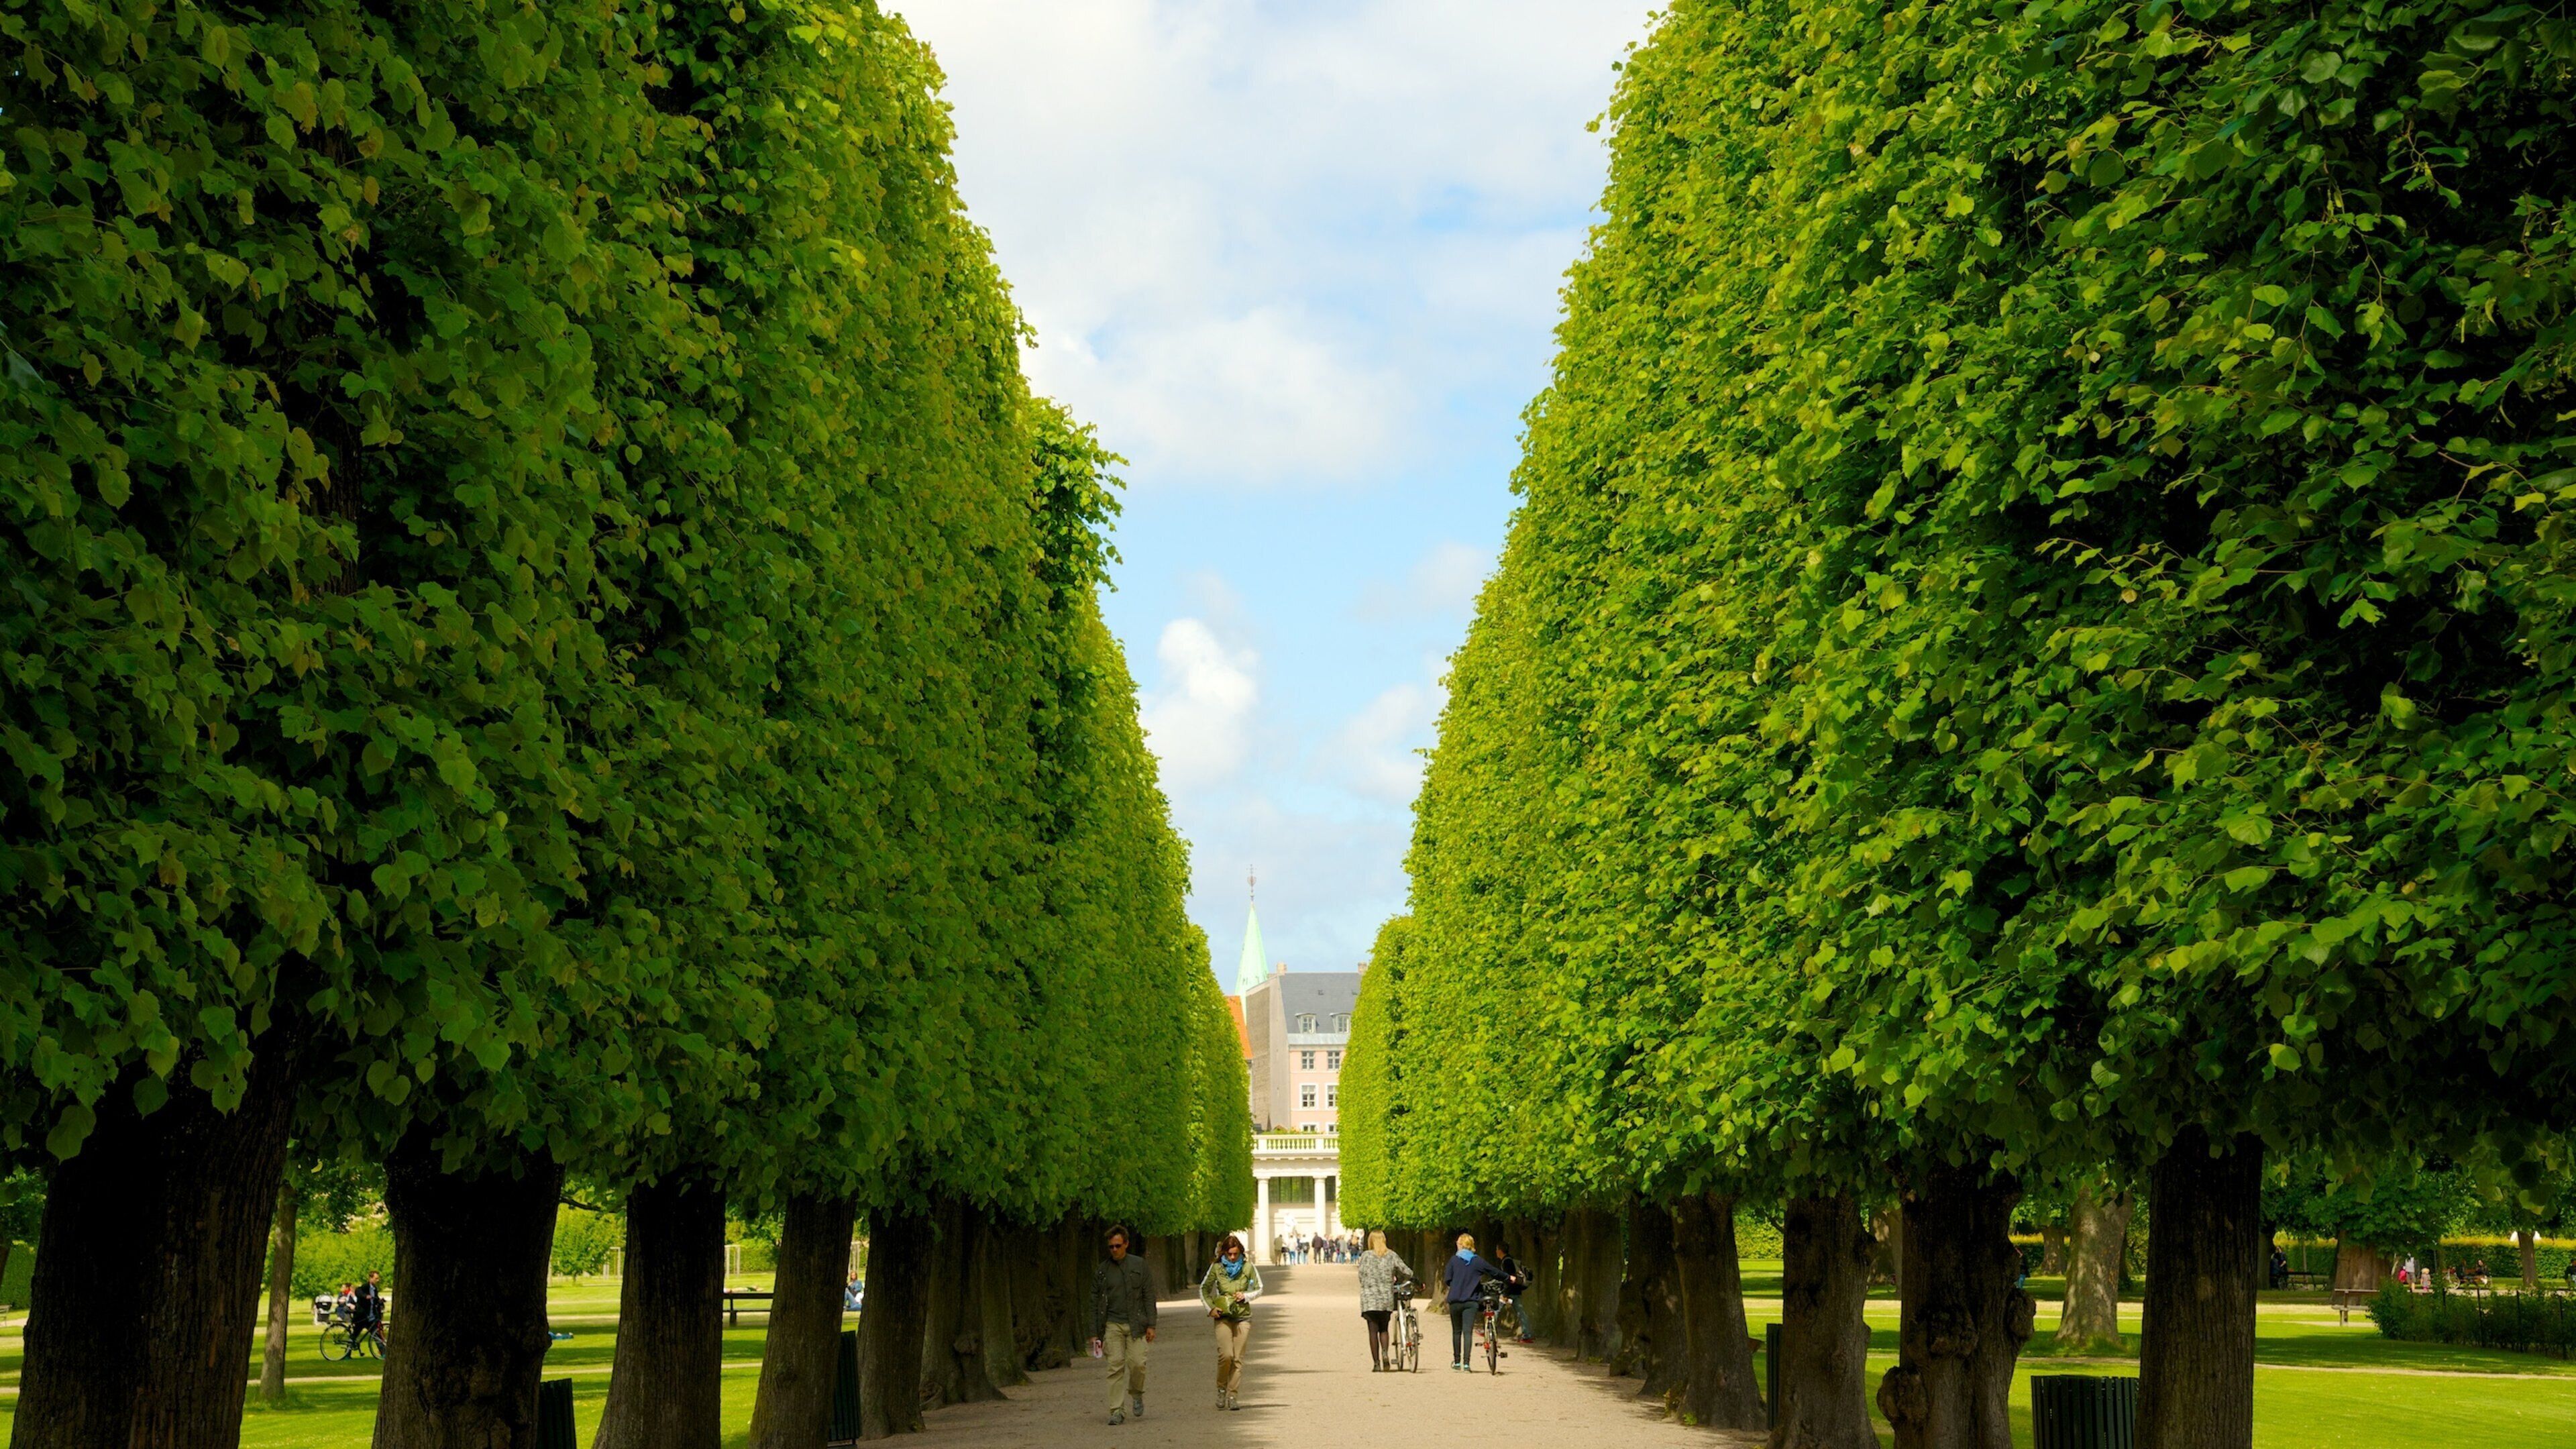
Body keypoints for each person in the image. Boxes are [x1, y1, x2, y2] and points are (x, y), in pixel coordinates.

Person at [1090, 1225, 1157, 1426]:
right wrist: (1094, 1333)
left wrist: (1151, 1324)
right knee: (1114, 1367)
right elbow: (1093, 1301)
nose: (1114, 1250)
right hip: (1112, 1325)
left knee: (1138, 1364)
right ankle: (1116, 1410)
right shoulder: (1102, 1271)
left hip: (1137, 1324)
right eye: (1111, 1247)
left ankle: (1136, 1393)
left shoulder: (1140, 1265)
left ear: (1126, 1244)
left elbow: (1149, 1296)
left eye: (1118, 1246)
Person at [1198, 1234, 1263, 1411]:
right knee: (1226, 1355)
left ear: (1241, 1252)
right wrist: (1210, 1308)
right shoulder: (1217, 1268)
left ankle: (1233, 1395)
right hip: (1223, 1316)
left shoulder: (1248, 1268)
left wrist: (1246, 1295)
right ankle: (1221, 1388)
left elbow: (1259, 1288)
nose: (1233, 1257)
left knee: (1237, 1359)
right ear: (1224, 1253)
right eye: (1229, 1254)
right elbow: (1204, 1288)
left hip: (1243, 1316)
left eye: (1235, 1254)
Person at [1442, 1232, 1505, 1370]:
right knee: (1468, 1332)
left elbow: (1447, 1280)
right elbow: (1494, 1272)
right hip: (1471, 1301)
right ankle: (1467, 1363)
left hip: (1455, 1301)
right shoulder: (1477, 1261)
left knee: (1456, 1332)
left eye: (1458, 1243)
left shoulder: (1453, 1260)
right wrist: (1509, 1278)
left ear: (1461, 1245)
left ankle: (1457, 1362)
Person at [1355, 1230, 1414, 1371]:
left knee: (1372, 1331)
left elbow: (1361, 1276)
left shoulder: (1366, 1256)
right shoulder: (1391, 1255)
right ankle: (1385, 1353)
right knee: (1384, 1329)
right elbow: (1406, 1271)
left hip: (1370, 1298)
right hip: (1386, 1298)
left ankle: (1376, 1363)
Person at [1491, 1243, 1534, 1343]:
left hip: (1509, 1292)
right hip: (1515, 1291)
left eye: (1497, 1249)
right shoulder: (1509, 1260)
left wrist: (1505, 1293)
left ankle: (1489, 1331)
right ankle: (1528, 1334)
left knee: (1496, 1309)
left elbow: (1509, 1279)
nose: (1496, 1252)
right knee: (1521, 1312)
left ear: (1500, 1251)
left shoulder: (1507, 1262)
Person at [355, 1270, 385, 1342]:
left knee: (377, 1337)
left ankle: (383, 1352)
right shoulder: (365, 1287)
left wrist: (380, 1301)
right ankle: (348, 1351)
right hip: (362, 1317)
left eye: (378, 1278)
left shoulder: (375, 1289)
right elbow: (358, 1291)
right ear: (371, 1278)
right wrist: (365, 1296)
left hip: (371, 1318)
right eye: (376, 1278)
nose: (378, 1280)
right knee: (354, 1336)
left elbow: (375, 1300)